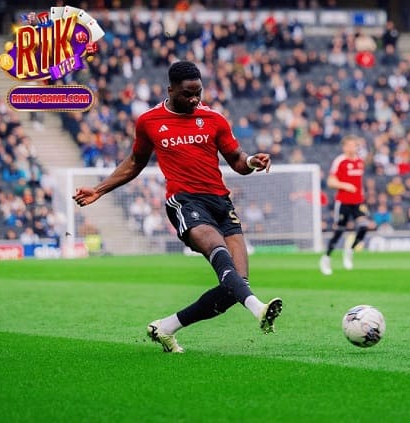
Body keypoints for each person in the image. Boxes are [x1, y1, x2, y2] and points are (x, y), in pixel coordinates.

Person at [72, 61, 282, 353]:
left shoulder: (214, 119)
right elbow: (135, 162)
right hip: (184, 201)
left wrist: (250, 162)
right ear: (170, 89)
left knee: (235, 286)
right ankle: (258, 308)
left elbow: (236, 158)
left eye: (198, 93)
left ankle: (166, 327)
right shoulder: (149, 121)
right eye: (187, 94)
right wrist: (99, 189)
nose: (194, 100)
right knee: (217, 251)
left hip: (221, 202)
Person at [320, 136, 370, 275]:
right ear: (344, 147)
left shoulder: (360, 162)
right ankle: (326, 258)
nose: (353, 148)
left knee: (364, 227)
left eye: (355, 145)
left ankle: (350, 250)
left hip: (358, 202)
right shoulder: (340, 161)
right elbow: (330, 182)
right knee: (339, 231)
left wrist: (362, 194)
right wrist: (345, 185)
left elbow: (359, 182)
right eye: (350, 145)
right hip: (343, 202)